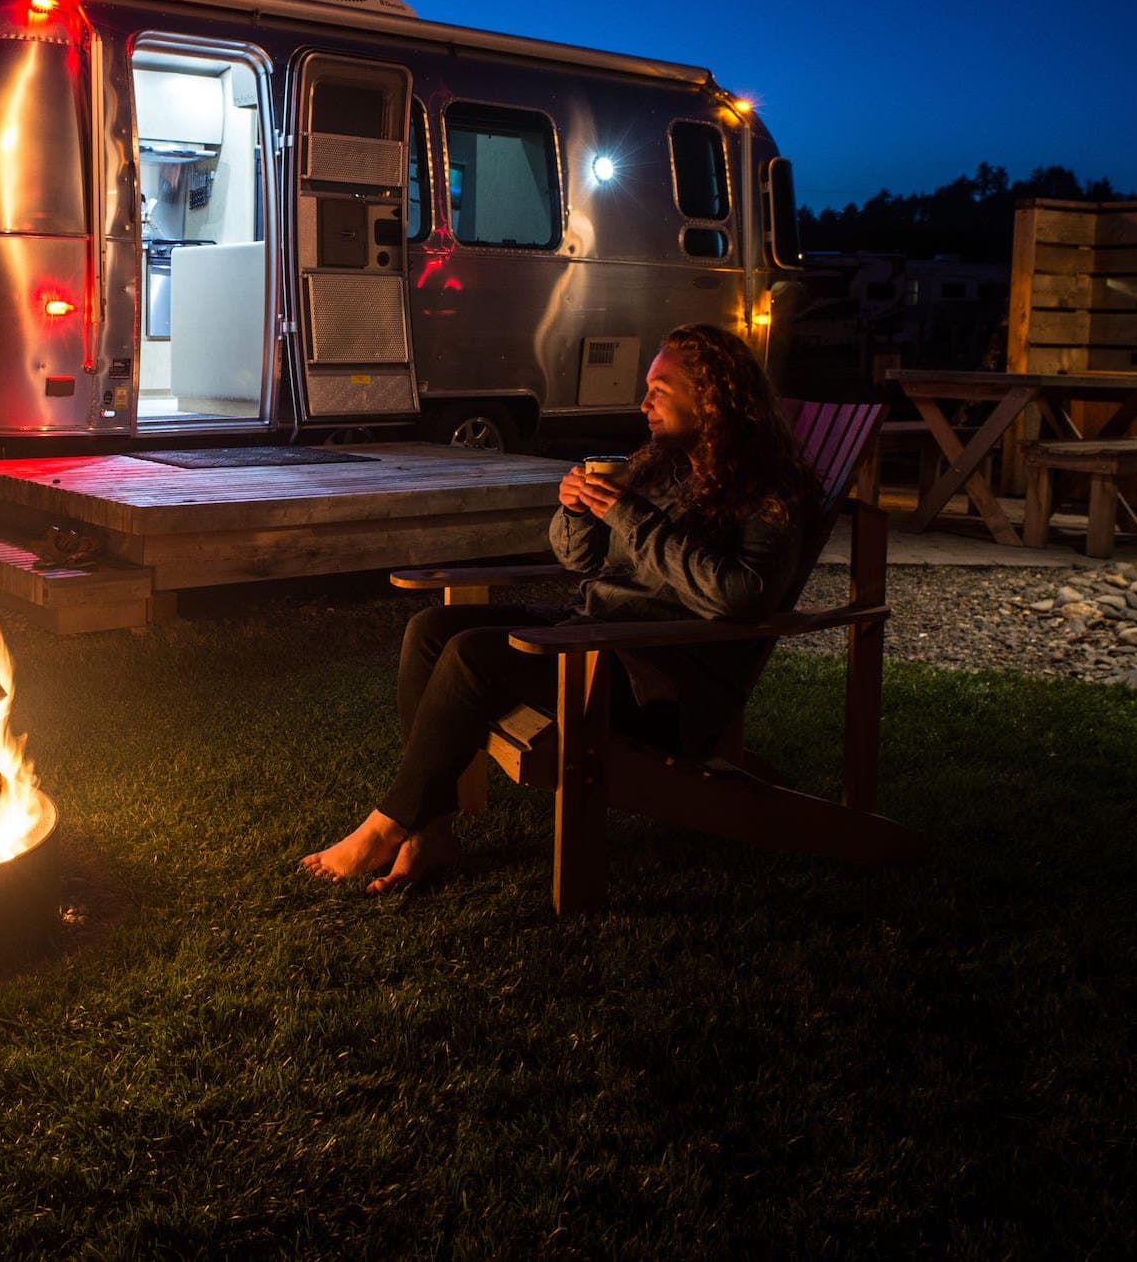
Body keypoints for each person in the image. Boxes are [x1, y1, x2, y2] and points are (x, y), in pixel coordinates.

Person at [302, 323, 820, 893]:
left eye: (660, 388)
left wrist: (632, 518)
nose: (643, 401)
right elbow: (586, 563)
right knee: (432, 628)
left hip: (657, 682)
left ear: (711, 394)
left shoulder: (767, 486)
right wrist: (576, 511)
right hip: (601, 635)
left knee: (474, 655)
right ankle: (431, 832)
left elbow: (742, 594)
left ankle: (390, 824)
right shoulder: (667, 466)